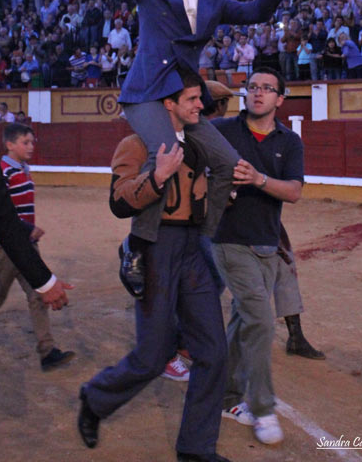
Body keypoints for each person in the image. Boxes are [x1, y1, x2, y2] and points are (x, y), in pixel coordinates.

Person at [57, 0, 288, 248]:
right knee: (167, 156)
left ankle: (208, 237)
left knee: (230, 165)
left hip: (183, 98)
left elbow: (258, 11)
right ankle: (139, 243)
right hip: (146, 94)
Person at [78, 71, 231, 462]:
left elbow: (205, 198)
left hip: (193, 249)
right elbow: (119, 202)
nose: (200, 106)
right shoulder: (135, 144)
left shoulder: (199, 143)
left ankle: (196, 450)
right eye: (193, 99)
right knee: (152, 355)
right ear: (168, 104)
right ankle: (96, 399)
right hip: (156, 249)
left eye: (201, 99)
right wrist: (157, 176)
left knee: (214, 350)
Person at [211, 68, 304, 446]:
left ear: (280, 99)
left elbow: (294, 191)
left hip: (267, 242)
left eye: (267, 89)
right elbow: (194, 164)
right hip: (229, 240)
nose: (258, 93)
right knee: (263, 321)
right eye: (252, 87)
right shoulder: (222, 130)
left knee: (242, 320)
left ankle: (228, 396)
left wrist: (258, 180)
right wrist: (218, 186)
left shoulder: (290, 141)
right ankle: (262, 407)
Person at [0, 124, 75, 371]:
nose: (31, 147)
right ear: (9, 144)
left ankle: (48, 352)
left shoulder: (22, 169)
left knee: (37, 294)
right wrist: (26, 228)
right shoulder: (0, 169)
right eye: (25, 142)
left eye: (32, 142)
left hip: (26, 246)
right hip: (4, 247)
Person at [0, 85, 72, 310]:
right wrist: (45, 281)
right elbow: (2, 219)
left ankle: (47, 346)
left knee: (19, 296)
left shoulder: (14, 167)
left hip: (19, 238)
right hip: (8, 242)